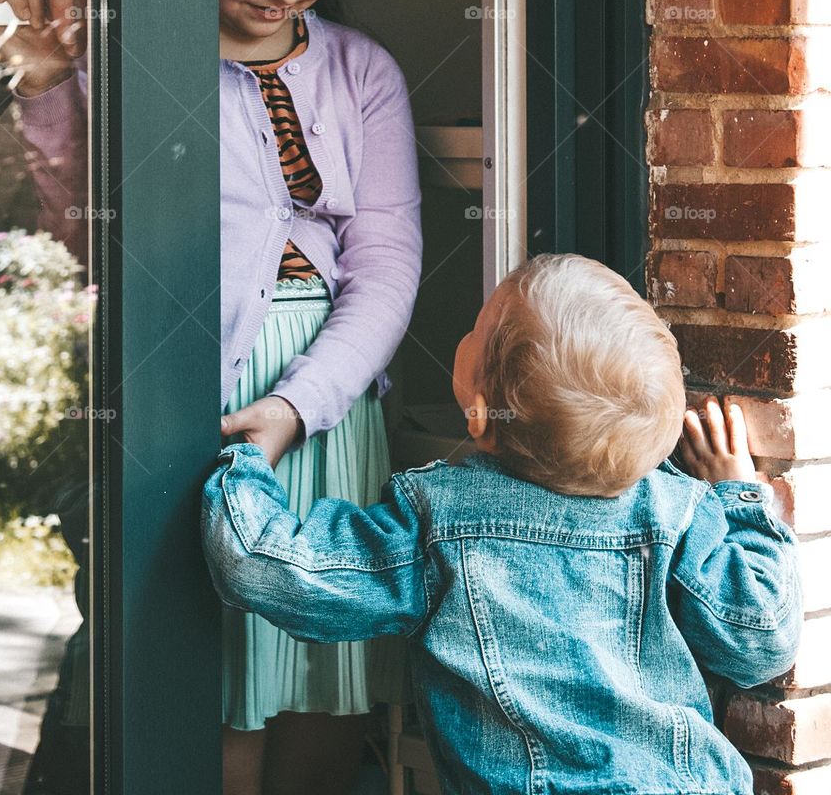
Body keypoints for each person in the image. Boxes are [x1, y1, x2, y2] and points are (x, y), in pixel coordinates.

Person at [0, 0, 424, 795]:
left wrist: (298, 404)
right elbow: (87, 235)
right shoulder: (140, 66)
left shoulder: (363, 73)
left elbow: (388, 264)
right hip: (196, 405)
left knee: (324, 692)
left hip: (322, 413)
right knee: (215, 689)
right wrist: (55, 89)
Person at [201, 252, 802, 795]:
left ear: (480, 414)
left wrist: (240, 462)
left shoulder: (438, 523)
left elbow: (270, 566)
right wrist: (738, 493)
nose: (465, 332)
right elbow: (762, 642)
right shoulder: (679, 511)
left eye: (474, 330)